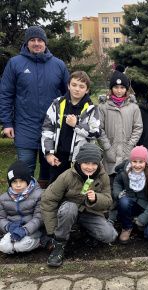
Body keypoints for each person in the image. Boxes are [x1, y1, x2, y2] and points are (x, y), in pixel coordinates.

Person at [0, 26, 70, 189]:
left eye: (40, 40)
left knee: (49, 168)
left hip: (52, 127)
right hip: (24, 126)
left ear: (45, 43)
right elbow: (5, 94)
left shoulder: (58, 65)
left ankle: (44, 204)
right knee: (25, 168)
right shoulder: (15, 63)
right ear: (27, 43)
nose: (36, 43)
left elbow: (69, 95)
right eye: (32, 40)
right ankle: (25, 204)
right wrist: (7, 123)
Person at [40, 143, 117, 267]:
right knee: (70, 208)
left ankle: (86, 230)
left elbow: (108, 200)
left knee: (109, 236)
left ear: (99, 162)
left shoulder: (103, 177)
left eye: (94, 163)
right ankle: (59, 245)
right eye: (86, 163)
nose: (90, 167)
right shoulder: (66, 176)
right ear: (79, 161)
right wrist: (54, 230)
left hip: (90, 213)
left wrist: (97, 198)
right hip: (68, 212)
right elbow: (48, 200)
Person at [42, 71, 100, 184]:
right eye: (74, 85)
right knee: (55, 190)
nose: (77, 89)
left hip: (81, 160)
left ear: (87, 90)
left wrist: (76, 124)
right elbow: (47, 129)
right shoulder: (57, 104)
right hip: (59, 158)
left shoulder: (92, 109)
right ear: (68, 86)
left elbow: (96, 132)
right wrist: (49, 153)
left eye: (81, 86)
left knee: (77, 192)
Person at [98, 64, 143, 183]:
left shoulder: (133, 107)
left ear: (126, 89)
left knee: (125, 185)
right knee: (110, 185)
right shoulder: (103, 107)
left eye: (122, 87)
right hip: (110, 154)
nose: (119, 90)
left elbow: (138, 128)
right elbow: (99, 128)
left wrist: (129, 146)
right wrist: (107, 147)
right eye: (116, 87)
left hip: (126, 154)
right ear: (111, 88)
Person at [112, 146, 148, 244]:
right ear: (130, 161)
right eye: (134, 161)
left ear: (146, 162)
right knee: (123, 201)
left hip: (146, 206)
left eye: (141, 162)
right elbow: (117, 183)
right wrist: (118, 194)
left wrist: (144, 217)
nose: (137, 165)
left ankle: (142, 222)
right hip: (130, 202)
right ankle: (127, 227)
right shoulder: (124, 173)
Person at [0, 161, 44, 254]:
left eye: (22, 181)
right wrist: (9, 226)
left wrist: (24, 230)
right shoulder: (3, 198)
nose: (18, 185)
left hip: (33, 228)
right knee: (4, 247)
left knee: (21, 246)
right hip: (14, 228)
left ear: (27, 181)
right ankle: (14, 245)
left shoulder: (39, 194)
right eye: (14, 181)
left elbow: (39, 218)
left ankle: (41, 241)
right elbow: (1, 218)